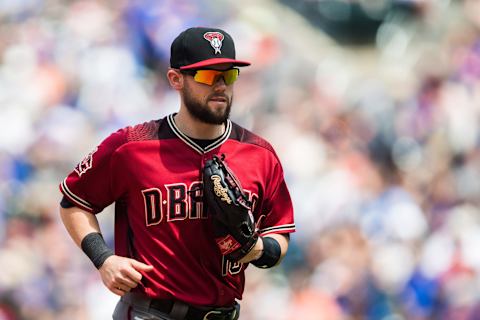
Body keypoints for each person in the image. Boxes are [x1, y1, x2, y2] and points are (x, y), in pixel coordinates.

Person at [59, 26, 295, 320]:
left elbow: (279, 232)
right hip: (151, 312)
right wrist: (103, 258)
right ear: (175, 79)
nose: (221, 85)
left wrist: (258, 250)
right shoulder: (132, 146)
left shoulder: (260, 154)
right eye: (208, 76)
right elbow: (74, 202)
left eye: (229, 74)